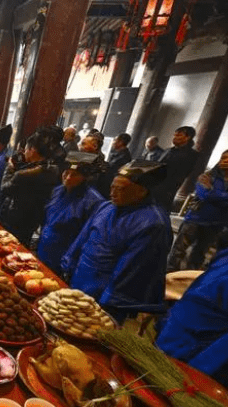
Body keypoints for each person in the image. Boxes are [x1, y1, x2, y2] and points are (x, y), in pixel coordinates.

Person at [62, 160, 172, 322]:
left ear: (141, 191)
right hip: (79, 280)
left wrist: (108, 303)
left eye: (120, 189)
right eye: (112, 187)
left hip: (105, 295)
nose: (112, 193)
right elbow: (82, 239)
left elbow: (133, 270)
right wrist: (68, 264)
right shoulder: (106, 207)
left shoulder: (153, 223)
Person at [156, 240, 228, 398]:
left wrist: (195, 379)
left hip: (193, 367)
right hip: (170, 341)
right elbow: (196, 293)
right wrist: (167, 322)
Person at [167, 148, 228, 271]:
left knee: (200, 254)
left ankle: (187, 277)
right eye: (223, 158)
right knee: (178, 251)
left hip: (218, 223)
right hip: (196, 219)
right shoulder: (207, 176)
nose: (226, 161)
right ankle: (169, 274)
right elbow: (205, 195)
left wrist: (215, 194)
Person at [37, 152, 105, 276]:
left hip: (65, 254)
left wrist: (70, 262)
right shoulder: (58, 190)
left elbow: (86, 236)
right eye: (66, 173)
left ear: (85, 178)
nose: (68, 177)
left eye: (74, 175)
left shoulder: (93, 201)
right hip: (44, 246)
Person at [0, 127, 61, 246]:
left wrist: (10, 168)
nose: (24, 152)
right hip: (32, 220)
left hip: (13, 218)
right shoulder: (53, 170)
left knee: (6, 246)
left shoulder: (24, 174)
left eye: (26, 149)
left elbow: (4, 188)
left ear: (33, 150)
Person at [151, 126, 198, 211]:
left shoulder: (191, 155)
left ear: (188, 137)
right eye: (174, 135)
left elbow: (181, 174)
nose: (175, 138)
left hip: (167, 190)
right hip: (154, 186)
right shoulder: (168, 150)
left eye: (179, 135)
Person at [97, 133, 132, 198]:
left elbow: (119, 171)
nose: (113, 142)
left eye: (115, 140)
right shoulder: (116, 152)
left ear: (120, 142)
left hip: (110, 186)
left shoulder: (125, 157)